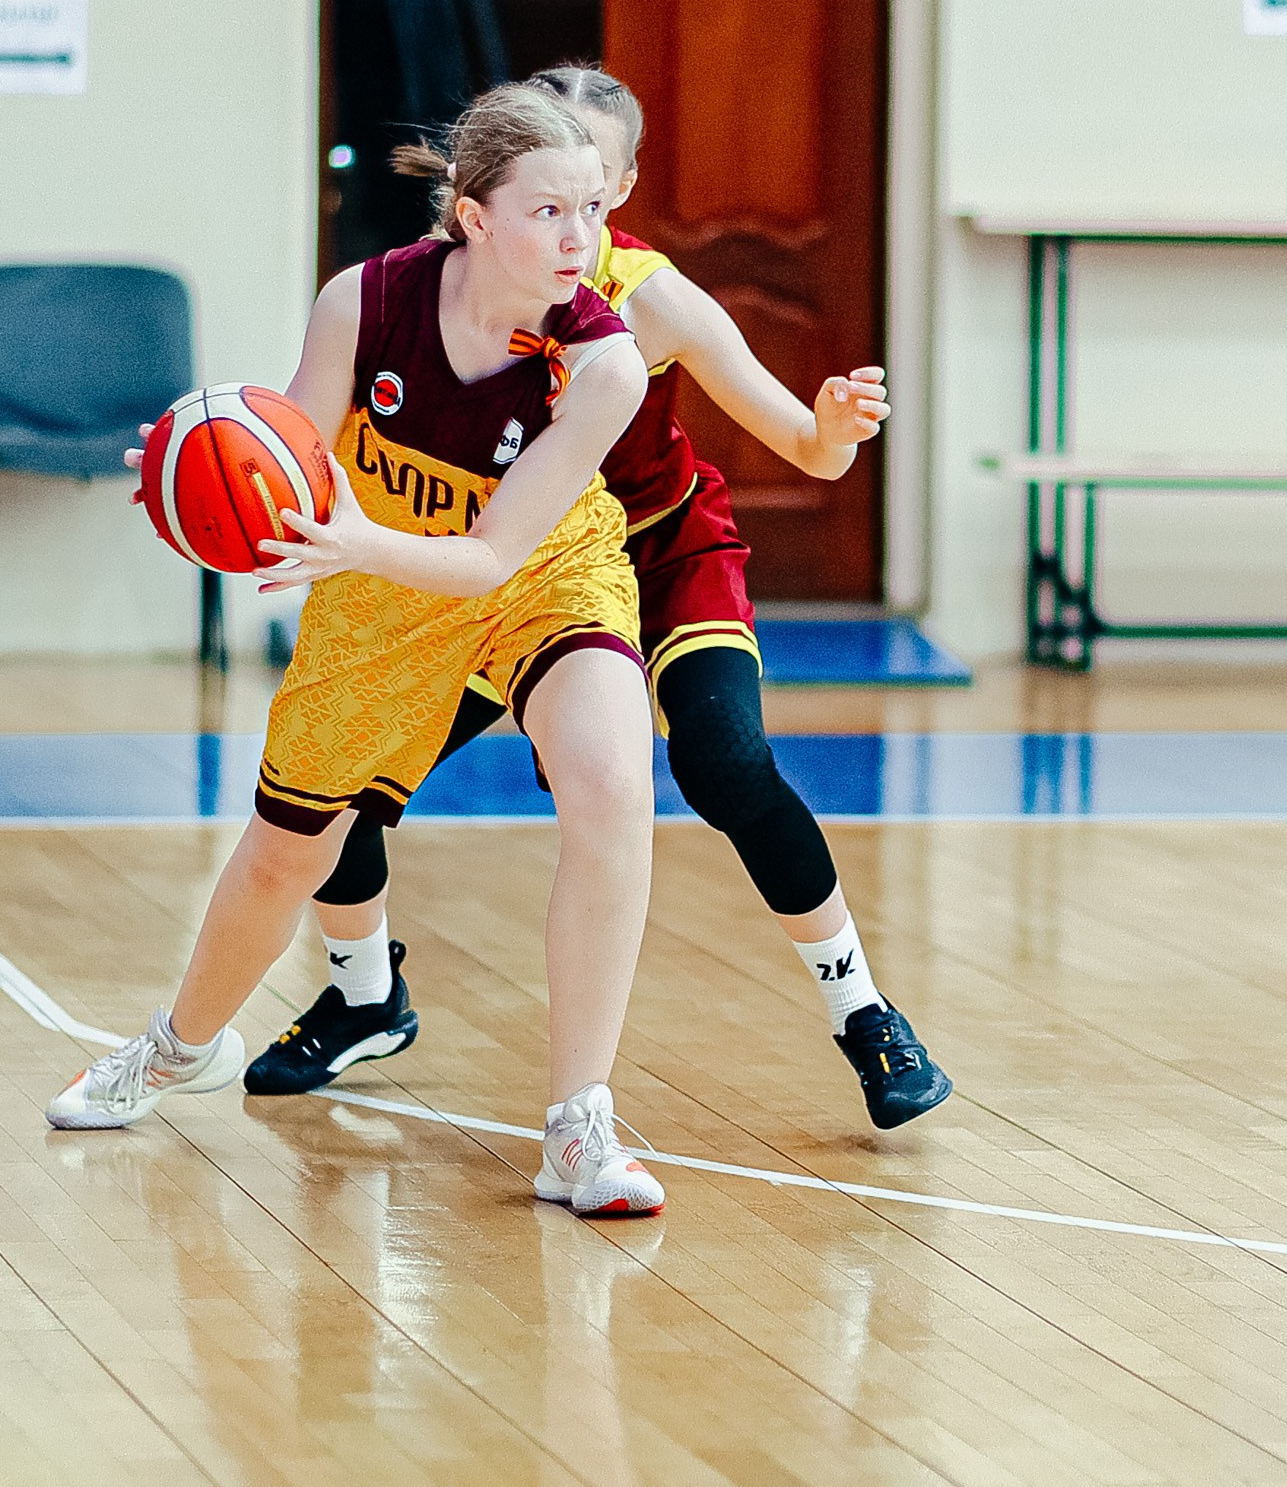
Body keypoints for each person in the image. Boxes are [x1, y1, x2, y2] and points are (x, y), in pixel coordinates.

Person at [246, 64, 953, 1132]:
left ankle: (862, 1010)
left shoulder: (650, 296)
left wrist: (838, 426)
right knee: (349, 780)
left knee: (723, 761)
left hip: (657, 555)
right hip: (514, 569)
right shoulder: (442, 288)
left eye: (589, 180)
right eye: (544, 173)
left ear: (616, 185)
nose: (568, 204)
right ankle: (361, 994)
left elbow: (806, 448)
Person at [47, 81, 672, 1216]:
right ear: (473, 215)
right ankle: (179, 1047)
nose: (581, 239)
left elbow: (490, 559)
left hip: (541, 571)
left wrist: (352, 537)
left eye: (592, 210)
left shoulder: (604, 365)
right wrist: (205, 466)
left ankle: (580, 1125)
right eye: (549, 212)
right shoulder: (364, 302)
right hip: (378, 581)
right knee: (290, 851)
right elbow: (290, 454)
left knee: (612, 785)